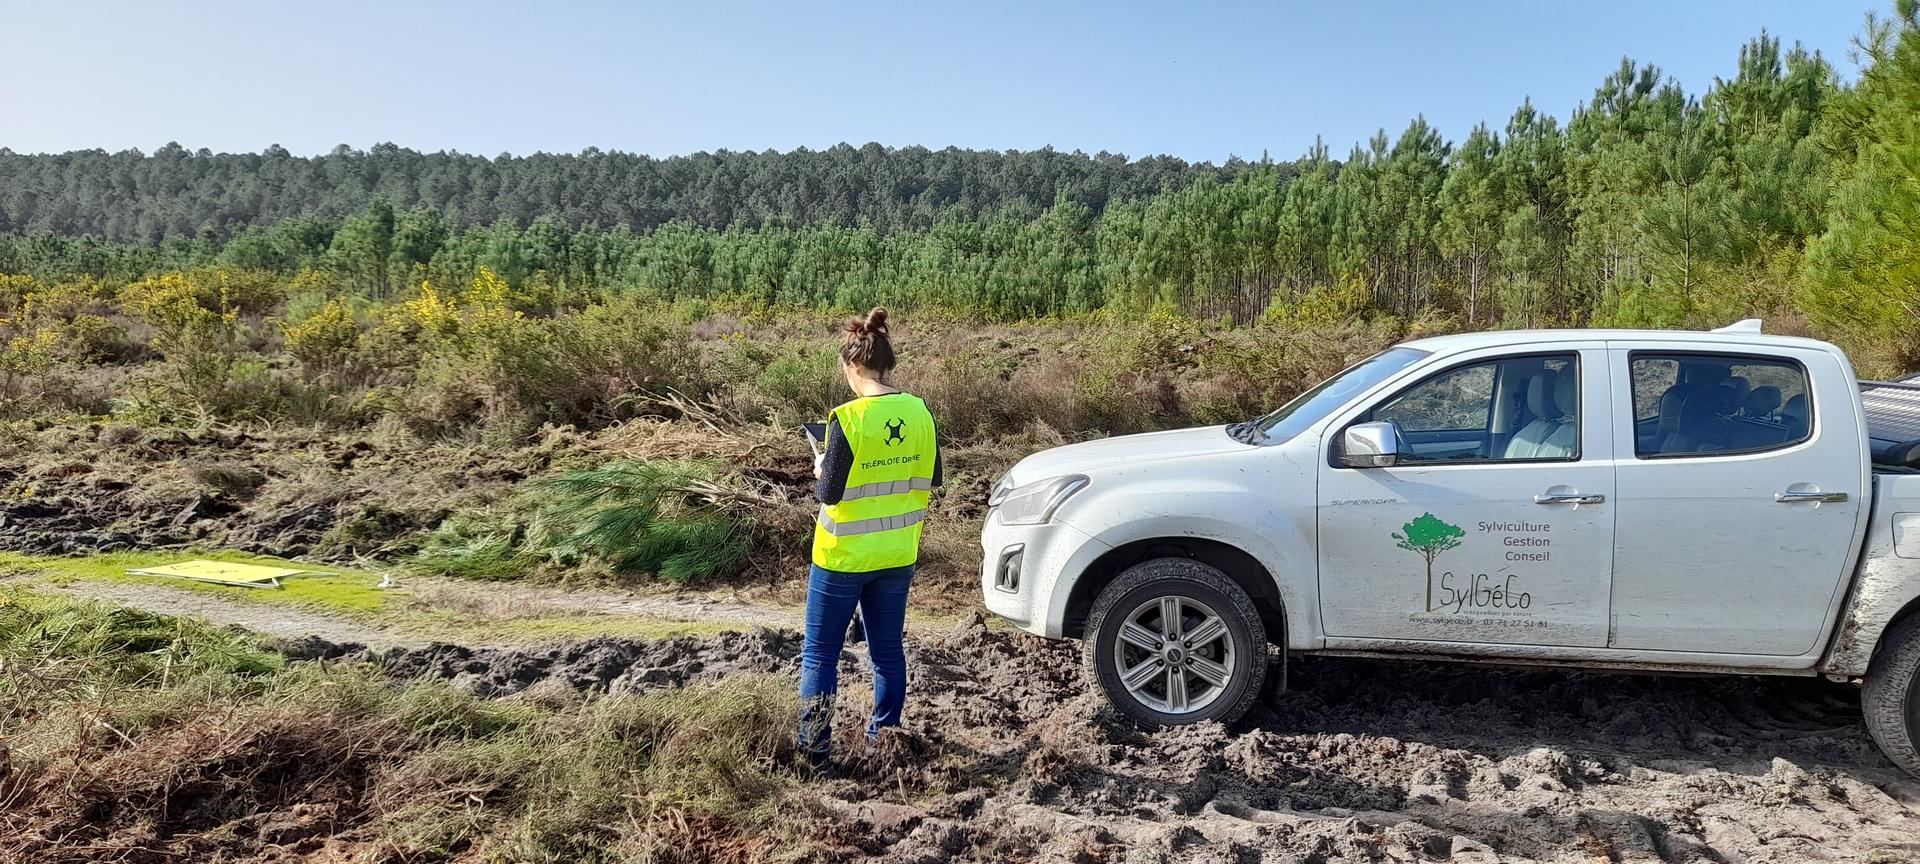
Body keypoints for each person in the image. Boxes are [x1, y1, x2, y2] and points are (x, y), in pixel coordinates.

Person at [797, 307, 941, 767]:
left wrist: (821, 466)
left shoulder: (848, 419)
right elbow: (933, 477)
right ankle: (885, 741)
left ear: (852, 366)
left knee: (819, 655)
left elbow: (829, 491)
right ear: (887, 364)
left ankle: (814, 751)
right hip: (897, 554)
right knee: (887, 652)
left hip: (842, 558)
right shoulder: (919, 412)